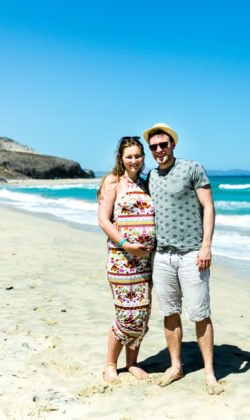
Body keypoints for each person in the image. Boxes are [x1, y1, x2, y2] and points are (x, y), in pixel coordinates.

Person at [143, 122, 221, 394]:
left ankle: (210, 373)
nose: (159, 150)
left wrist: (206, 246)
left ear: (173, 144)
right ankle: (176, 366)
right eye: (153, 147)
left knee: (200, 313)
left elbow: (209, 207)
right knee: (169, 312)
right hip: (162, 256)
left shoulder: (192, 168)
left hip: (192, 255)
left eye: (163, 144)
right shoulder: (151, 176)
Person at [97, 136, 156, 383]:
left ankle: (132, 363)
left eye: (138, 156)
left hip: (145, 263)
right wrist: (127, 245)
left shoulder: (145, 183)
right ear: (121, 158)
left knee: (142, 315)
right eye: (129, 156)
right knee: (126, 315)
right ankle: (111, 364)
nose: (134, 160)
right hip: (122, 261)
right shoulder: (113, 182)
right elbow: (103, 219)